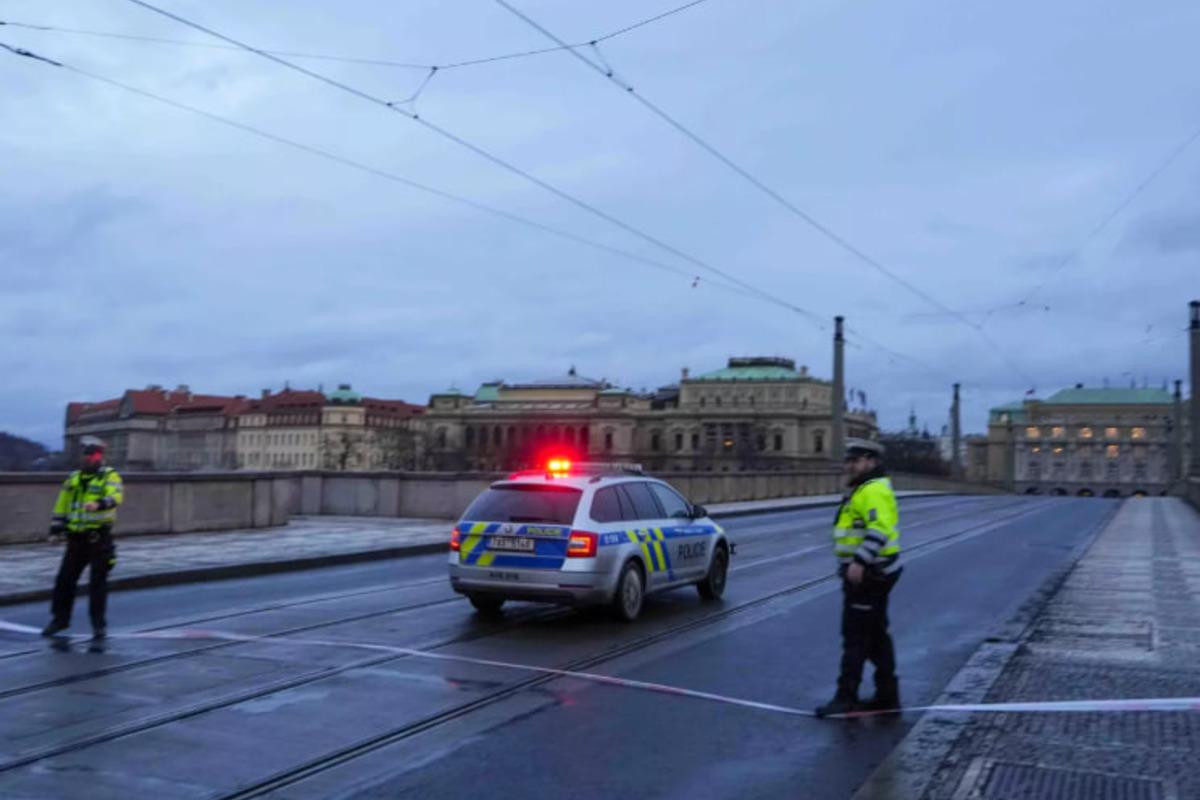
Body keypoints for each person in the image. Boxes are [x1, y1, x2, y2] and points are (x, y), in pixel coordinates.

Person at [815, 438, 903, 718]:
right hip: (873, 573)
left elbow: (881, 528)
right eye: (848, 461)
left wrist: (860, 561)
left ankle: (846, 697)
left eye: (855, 461)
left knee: (854, 638)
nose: (849, 466)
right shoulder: (864, 489)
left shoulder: (872, 490)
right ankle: (887, 696)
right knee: (876, 637)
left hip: (869, 575)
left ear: (871, 462)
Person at [41, 436, 124, 639]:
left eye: (93, 455)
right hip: (76, 539)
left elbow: (116, 496)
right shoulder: (73, 479)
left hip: (99, 538)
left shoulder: (109, 476)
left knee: (97, 584)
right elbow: (61, 506)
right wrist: (55, 531)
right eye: (86, 455)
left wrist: (99, 504)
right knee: (64, 581)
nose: (89, 459)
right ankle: (60, 620)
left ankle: (98, 625)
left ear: (100, 457)